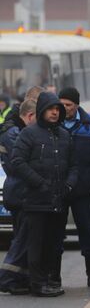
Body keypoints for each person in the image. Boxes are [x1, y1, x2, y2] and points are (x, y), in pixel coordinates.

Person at [11, 92, 78, 297]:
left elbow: (74, 166)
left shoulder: (65, 135)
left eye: (57, 109)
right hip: (36, 201)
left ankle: (52, 279)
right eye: (51, 109)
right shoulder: (29, 134)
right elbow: (17, 162)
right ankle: (38, 284)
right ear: (41, 110)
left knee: (55, 244)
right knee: (36, 245)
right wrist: (39, 183)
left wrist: (68, 185)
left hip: (58, 200)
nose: (55, 113)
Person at [54, 87, 90, 288]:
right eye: (62, 104)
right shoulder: (51, 124)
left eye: (69, 105)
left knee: (88, 232)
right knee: (56, 233)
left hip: (83, 188)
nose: (64, 109)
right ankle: (54, 276)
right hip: (58, 188)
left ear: (77, 105)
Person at [0, 99, 37, 295]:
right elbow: (21, 164)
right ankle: (7, 278)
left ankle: (20, 279)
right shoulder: (14, 133)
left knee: (23, 239)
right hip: (20, 192)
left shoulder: (14, 130)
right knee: (22, 240)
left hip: (18, 191)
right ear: (30, 116)